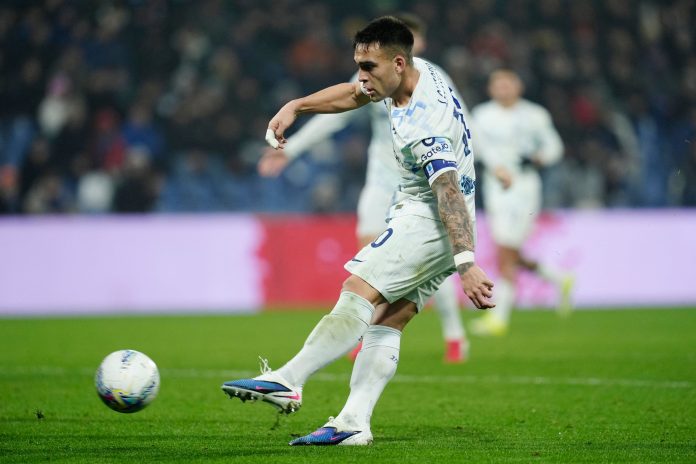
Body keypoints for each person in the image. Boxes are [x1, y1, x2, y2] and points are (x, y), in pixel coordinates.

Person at [222, 16, 494, 446]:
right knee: (389, 318)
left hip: (429, 218)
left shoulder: (425, 123)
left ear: (398, 63)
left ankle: (289, 379)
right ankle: (353, 423)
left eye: (369, 68)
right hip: (428, 214)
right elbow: (352, 95)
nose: (362, 77)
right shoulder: (420, 70)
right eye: (359, 65)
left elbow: (447, 191)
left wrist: (467, 264)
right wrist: (296, 106)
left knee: (358, 288)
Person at [257, 13, 470, 363]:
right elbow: (343, 104)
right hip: (382, 177)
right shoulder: (376, 75)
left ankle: (454, 334)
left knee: (427, 261)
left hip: (423, 183)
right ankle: (366, 331)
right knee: (370, 255)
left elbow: (464, 123)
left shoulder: (433, 81)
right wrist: (292, 143)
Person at [469, 69, 573, 337]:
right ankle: (558, 278)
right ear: (491, 89)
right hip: (496, 187)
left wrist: (540, 157)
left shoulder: (535, 115)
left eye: (508, 84)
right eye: (498, 85)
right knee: (508, 251)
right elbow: (473, 146)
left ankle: (499, 317)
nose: (503, 89)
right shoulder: (481, 115)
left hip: (525, 187)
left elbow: (555, 147)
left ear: (519, 87)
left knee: (507, 251)